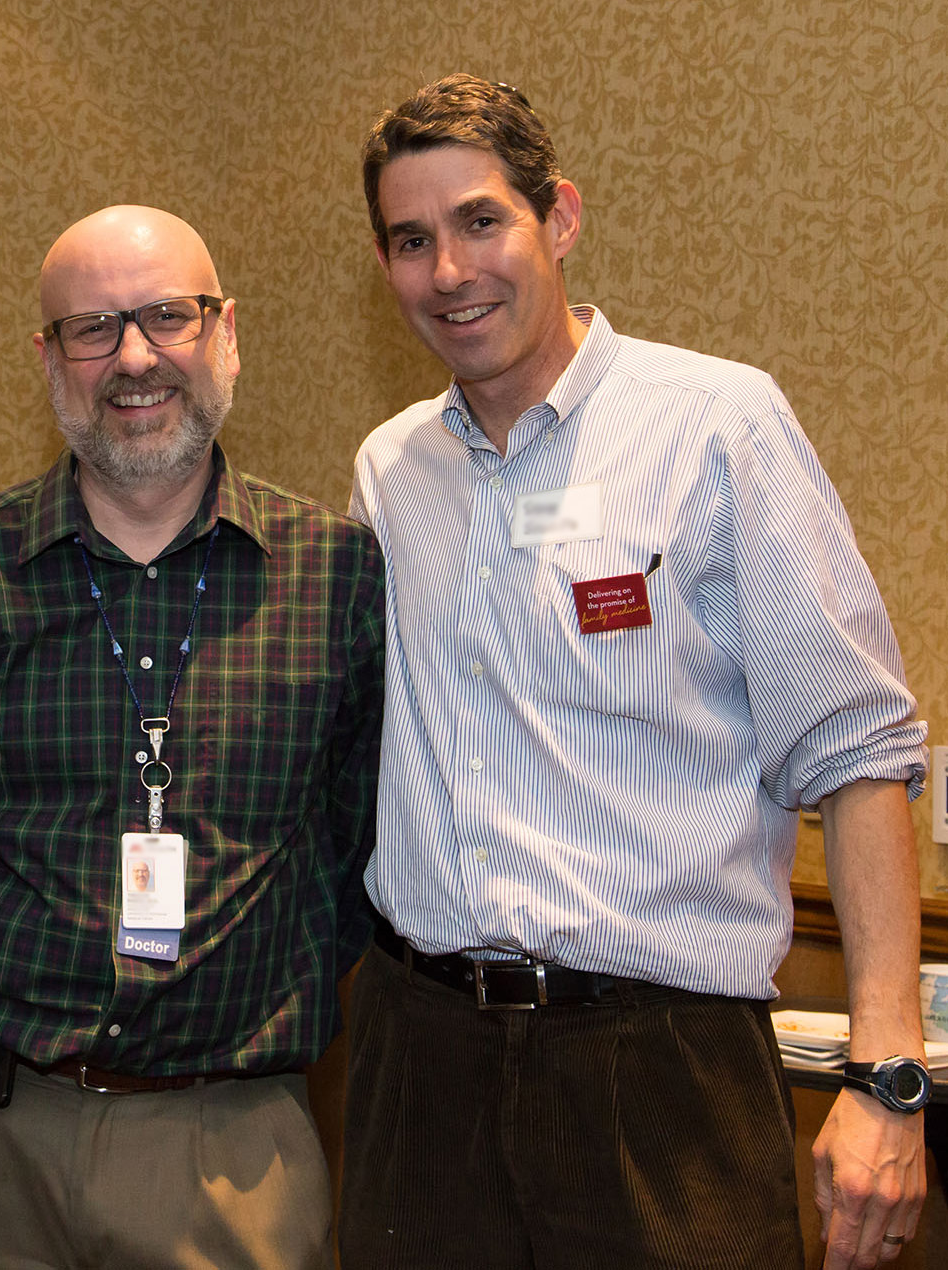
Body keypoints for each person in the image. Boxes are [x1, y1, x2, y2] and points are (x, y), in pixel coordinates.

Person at [343, 75, 930, 1270]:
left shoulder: (716, 425)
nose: (448, 270)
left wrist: (886, 1072)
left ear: (557, 217)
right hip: (422, 1060)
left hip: (655, 1072)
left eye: (478, 221)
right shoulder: (387, 469)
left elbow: (860, 751)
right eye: (410, 241)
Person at [0, 204, 385, 1269]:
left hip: (230, 1142)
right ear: (48, 358)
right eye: (92, 328)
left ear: (224, 332)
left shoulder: (338, 576)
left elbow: (353, 846)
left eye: (166, 317)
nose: (134, 358)